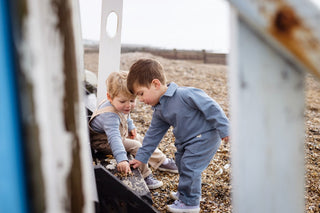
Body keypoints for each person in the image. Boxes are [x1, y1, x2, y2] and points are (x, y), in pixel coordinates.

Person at [127, 59, 229, 213]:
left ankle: (190, 203)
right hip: (186, 141)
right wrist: (141, 157)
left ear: (156, 84)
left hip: (205, 136)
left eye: (141, 93)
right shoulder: (159, 110)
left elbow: (212, 108)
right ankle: (186, 193)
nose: (140, 100)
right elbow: (152, 135)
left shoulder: (185, 94)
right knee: (181, 163)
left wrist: (225, 130)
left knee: (190, 166)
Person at [88, 71, 178, 190]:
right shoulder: (109, 116)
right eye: (123, 101)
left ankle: (161, 161)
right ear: (110, 97)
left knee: (141, 139)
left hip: (118, 136)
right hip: (103, 142)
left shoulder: (119, 105)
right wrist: (122, 160)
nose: (128, 106)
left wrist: (131, 127)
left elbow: (126, 116)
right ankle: (146, 176)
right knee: (136, 145)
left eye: (132, 100)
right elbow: (114, 139)